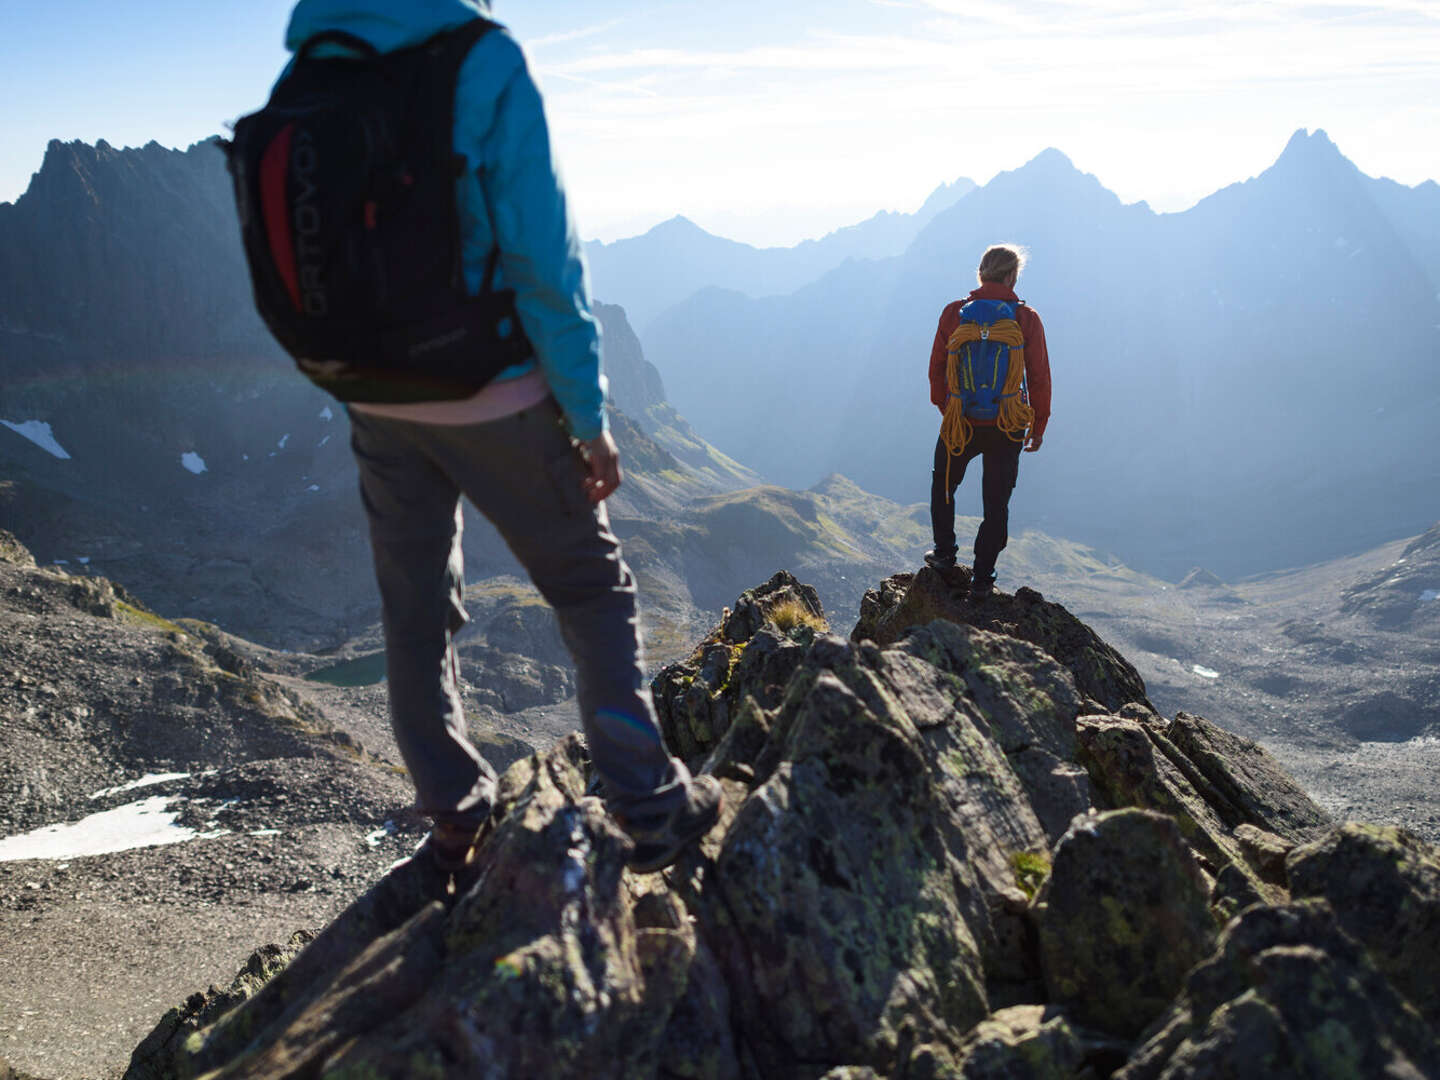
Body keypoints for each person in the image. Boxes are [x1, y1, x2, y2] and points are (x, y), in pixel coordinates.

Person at [268, 0, 721, 884]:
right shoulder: (480, 57)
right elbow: (546, 263)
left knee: (413, 609)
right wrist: (589, 422)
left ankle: (455, 819)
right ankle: (650, 804)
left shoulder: (314, 63)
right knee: (592, 588)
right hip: (487, 389)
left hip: (374, 394)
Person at [925, 245, 1052, 599]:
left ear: (980, 273)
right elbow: (1039, 377)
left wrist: (948, 408)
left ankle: (945, 554)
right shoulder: (1026, 320)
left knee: (944, 485)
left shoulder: (954, 314)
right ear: (1012, 276)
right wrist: (1038, 426)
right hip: (1007, 424)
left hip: (960, 421)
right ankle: (983, 579)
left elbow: (937, 367)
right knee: (996, 504)